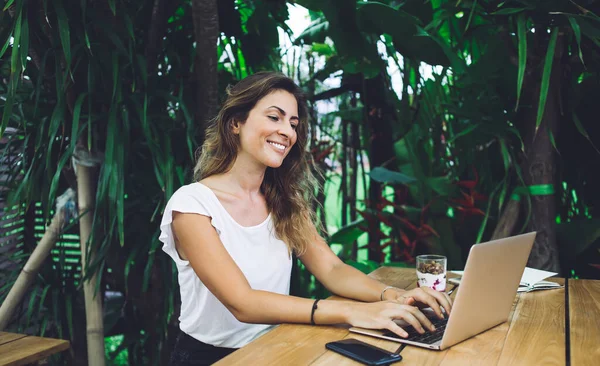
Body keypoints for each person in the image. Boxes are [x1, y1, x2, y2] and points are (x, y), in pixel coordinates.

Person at [159, 72, 452, 365]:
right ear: (235, 122)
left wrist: (393, 295)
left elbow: (333, 269)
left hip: (276, 348)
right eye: (275, 117)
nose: (287, 131)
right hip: (211, 358)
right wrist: (352, 311)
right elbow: (242, 303)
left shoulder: (283, 202)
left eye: (293, 123)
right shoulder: (192, 205)